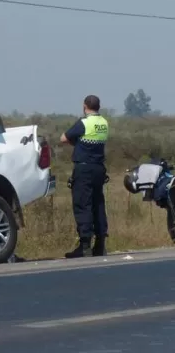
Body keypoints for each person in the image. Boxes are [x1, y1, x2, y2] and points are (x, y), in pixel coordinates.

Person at [60, 95, 109, 258]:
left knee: (83, 205)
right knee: (98, 204)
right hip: (99, 168)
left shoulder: (84, 123)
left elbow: (64, 138)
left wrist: (78, 143)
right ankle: (101, 245)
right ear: (99, 107)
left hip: (84, 169)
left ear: (84, 106)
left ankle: (85, 246)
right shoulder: (104, 123)